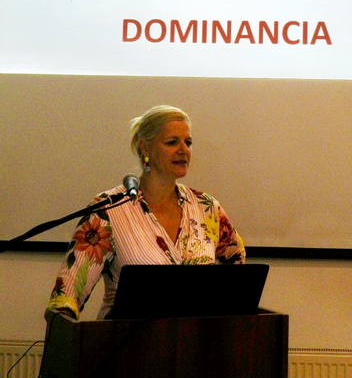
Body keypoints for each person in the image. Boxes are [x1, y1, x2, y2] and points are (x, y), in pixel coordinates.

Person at [46, 104, 245, 320]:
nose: (183, 150)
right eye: (172, 142)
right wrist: (63, 321)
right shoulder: (109, 209)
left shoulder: (207, 207)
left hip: (195, 338)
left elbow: (239, 273)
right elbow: (67, 294)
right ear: (145, 148)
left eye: (188, 143)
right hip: (123, 337)